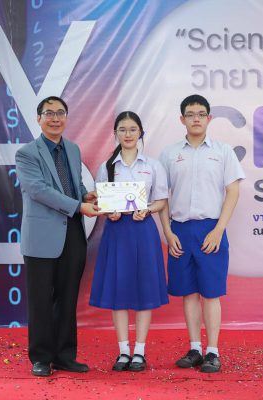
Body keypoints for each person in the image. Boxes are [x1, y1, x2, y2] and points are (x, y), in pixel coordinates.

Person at [159, 94, 245, 373]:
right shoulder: (169, 154)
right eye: (190, 114)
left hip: (211, 230)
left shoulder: (223, 151)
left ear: (209, 118)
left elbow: (233, 191)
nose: (195, 118)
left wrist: (219, 229)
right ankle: (195, 348)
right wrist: (168, 232)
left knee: (211, 293)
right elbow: (161, 196)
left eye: (201, 114)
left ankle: (213, 352)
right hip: (180, 230)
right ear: (181, 119)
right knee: (188, 292)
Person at [15, 96, 100, 377]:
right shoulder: (27, 153)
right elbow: (38, 190)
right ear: (38, 118)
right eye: (49, 113)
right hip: (41, 235)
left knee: (67, 298)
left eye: (60, 113)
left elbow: (73, 185)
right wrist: (78, 206)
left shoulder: (73, 149)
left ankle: (65, 356)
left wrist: (86, 196)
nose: (55, 118)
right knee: (40, 299)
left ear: (66, 117)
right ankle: (41, 357)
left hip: (73, 232)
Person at [89, 111, 169, 372]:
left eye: (133, 129)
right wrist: (108, 212)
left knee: (145, 288)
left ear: (141, 133)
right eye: (122, 129)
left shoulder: (153, 165)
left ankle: (139, 352)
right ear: (115, 134)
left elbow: (161, 201)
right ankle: (123, 351)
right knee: (119, 289)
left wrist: (148, 209)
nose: (128, 134)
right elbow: (102, 201)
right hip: (116, 231)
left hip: (143, 230)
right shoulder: (107, 167)